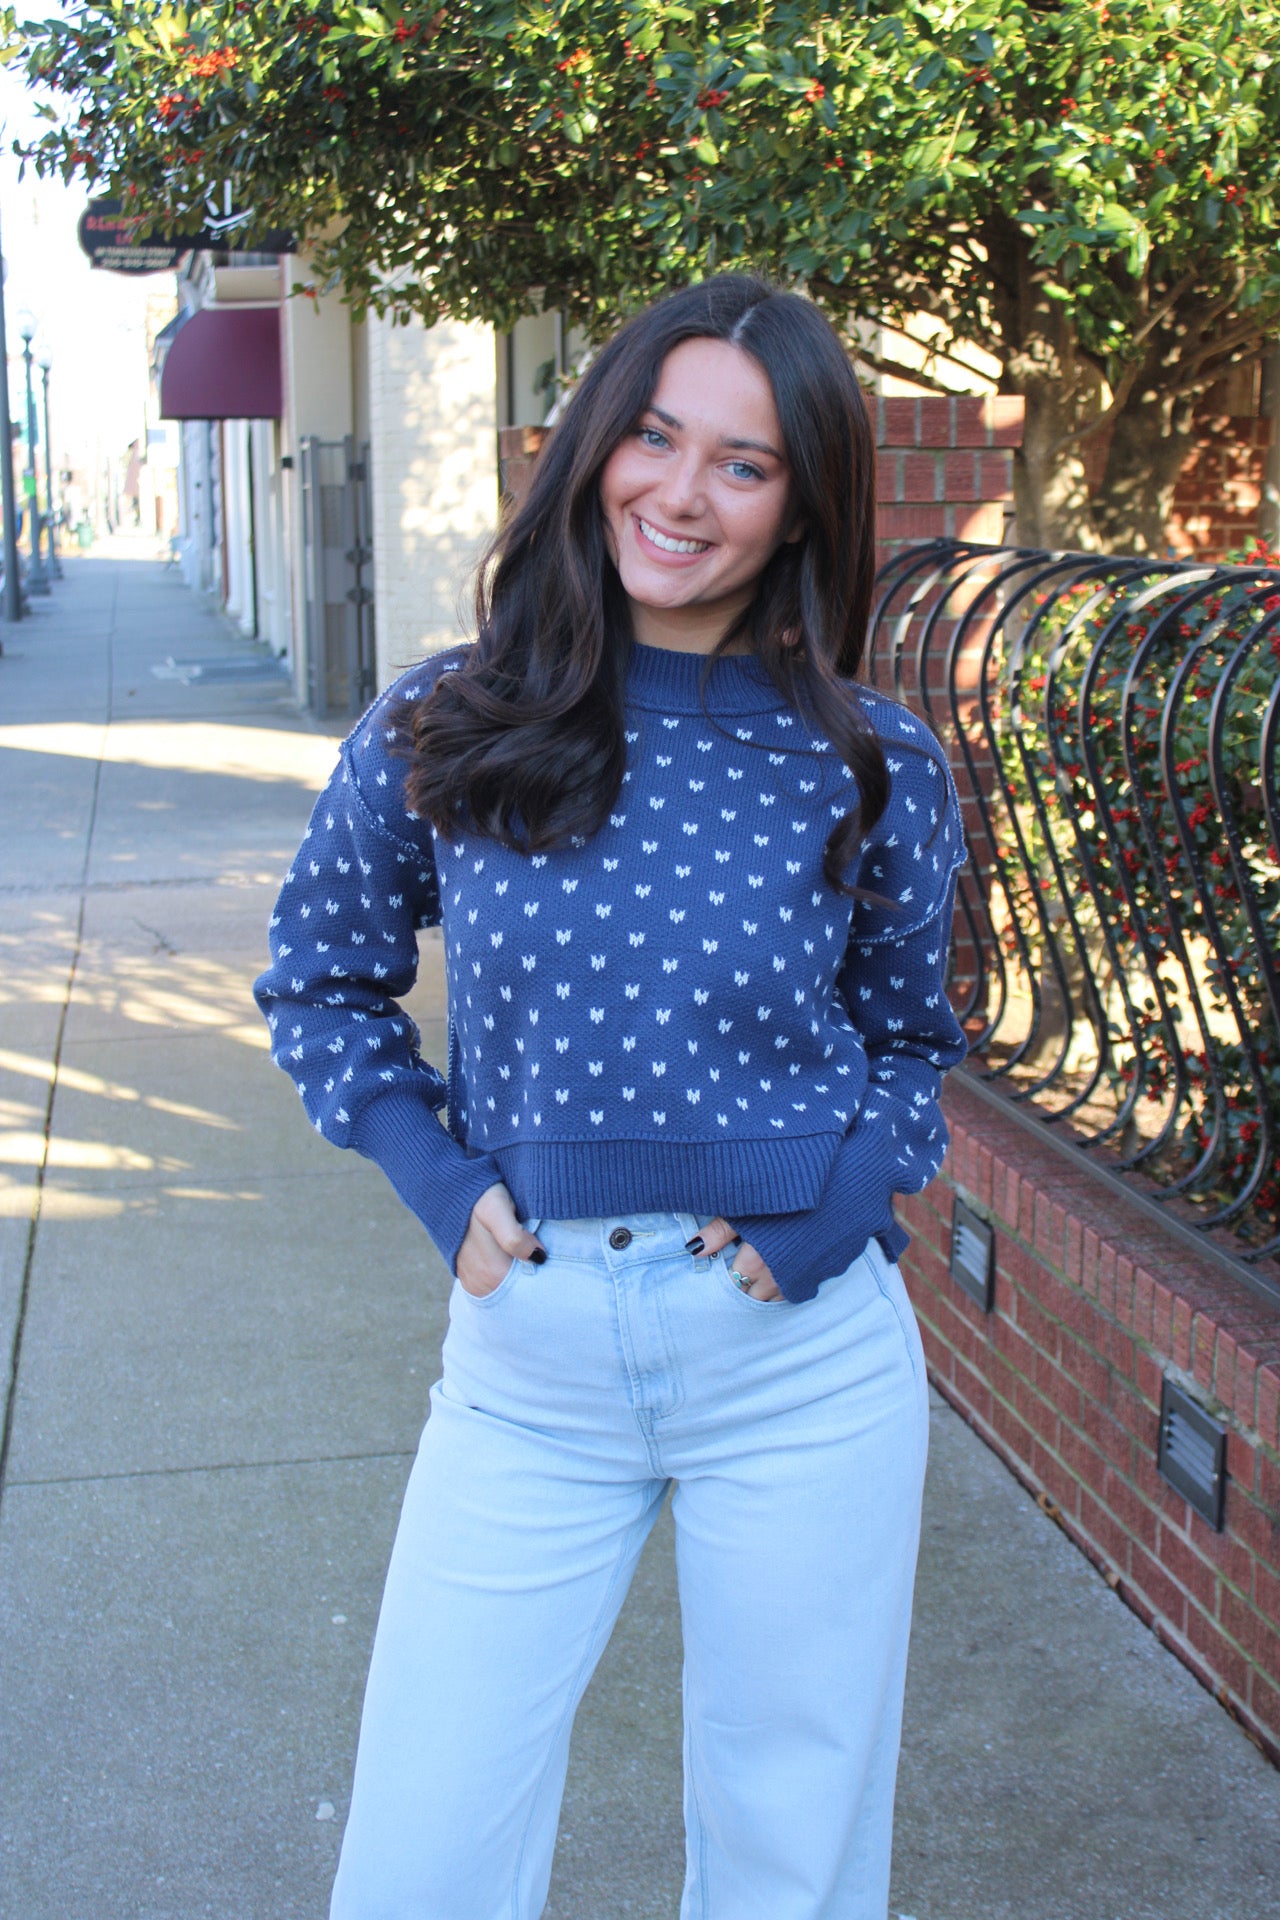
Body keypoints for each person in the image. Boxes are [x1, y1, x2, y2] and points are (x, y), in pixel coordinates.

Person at [255, 273, 967, 1920]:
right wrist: (440, 1185)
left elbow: (913, 1040)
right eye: (654, 435)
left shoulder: (869, 755)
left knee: (790, 1862)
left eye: (744, 462)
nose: (681, 492)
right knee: (422, 1862)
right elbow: (320, 979)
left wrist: (833, 1217)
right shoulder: (450, 716)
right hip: (530, 1365)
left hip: (800, 1365)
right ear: (594, 446)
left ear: (801, 509)